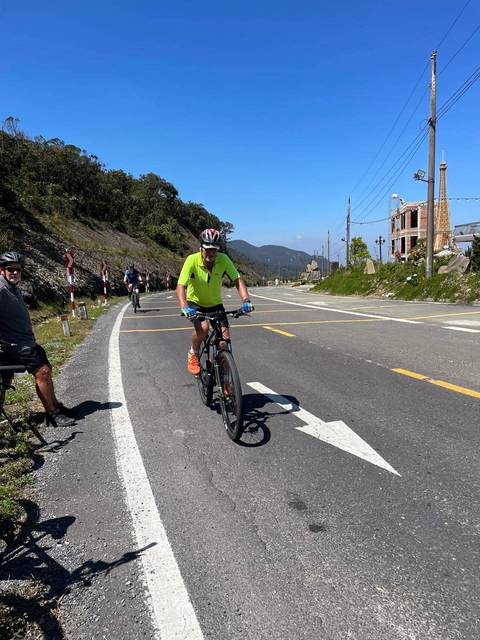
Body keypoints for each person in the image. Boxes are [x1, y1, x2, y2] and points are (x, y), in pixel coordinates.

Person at [0, 251, 75, 427]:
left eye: (18, 270)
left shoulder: (12, 286)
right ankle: (53, 414)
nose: (15, 273)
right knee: (42, 372)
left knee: (45, 369)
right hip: (13, 345)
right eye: (11, 269)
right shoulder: (1, 288)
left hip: (25, 341)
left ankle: (55, 406)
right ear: (2, 270)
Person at [176, 228, 253, 375]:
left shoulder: (223, 259)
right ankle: (193, 352)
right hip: (195, 303)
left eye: (214, 250)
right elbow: (181, 286)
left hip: (216, 304)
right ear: (201, 248)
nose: (211, 253)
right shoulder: (191, 260)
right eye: (207, 249)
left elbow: (237, 279)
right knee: (203, 329)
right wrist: (184, 306)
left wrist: (246, 300)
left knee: (224, 341)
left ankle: (226, 381)